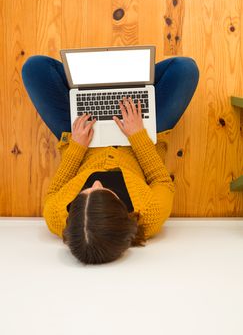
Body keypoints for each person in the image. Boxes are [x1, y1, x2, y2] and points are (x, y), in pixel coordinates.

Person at [21, 54, 200, 265]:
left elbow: (54, 191)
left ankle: (99, 87)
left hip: (83, 136)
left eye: (85, 192)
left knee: (34, 67)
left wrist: (77, 146)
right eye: (105, 191)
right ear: (122, 214)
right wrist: (137, 135)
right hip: (139, 137)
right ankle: (120, 85)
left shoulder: (57, 216)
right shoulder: (150, 215)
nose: (96, 183)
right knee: (185, 68)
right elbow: (161, 181)